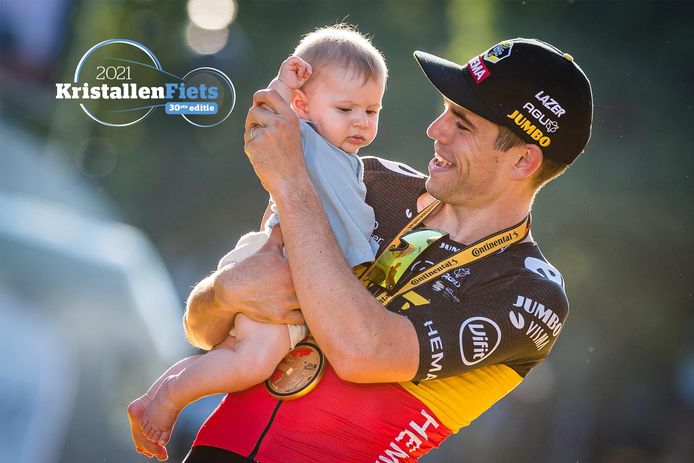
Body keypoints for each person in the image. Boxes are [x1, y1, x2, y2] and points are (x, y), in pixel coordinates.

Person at [139, 37, 593, 463]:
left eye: (463, 123)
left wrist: (292, 181)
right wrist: (226, 292)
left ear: (523, 160)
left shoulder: (528, 293)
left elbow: (360, 353)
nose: (435, 130)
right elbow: (203, 330)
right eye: (445, 111)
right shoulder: (362, 179)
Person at [127, 24, 387, 460]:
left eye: (372, 111)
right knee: (252, 363)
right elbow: (271, 112)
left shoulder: (348, 158)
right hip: (278, 263)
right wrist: (286, 81)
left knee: (235, 352)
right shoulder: (305, 137)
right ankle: (170, 401)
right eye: (346, 108)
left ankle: (156, 393)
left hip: (285, 262)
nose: (361, 122)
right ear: (304, 106)